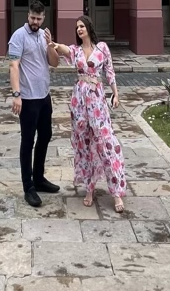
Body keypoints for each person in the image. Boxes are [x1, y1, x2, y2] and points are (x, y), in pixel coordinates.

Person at [50, 14, 126, 213]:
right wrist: (52, 44)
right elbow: (61, 48)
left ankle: (116, 192)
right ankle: (89, 189)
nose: (79, 30)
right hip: (79, 101)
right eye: (77, 27)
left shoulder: (102, 49)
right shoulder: (75, 51)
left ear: (89, 28)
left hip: (97, 101)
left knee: (105, 142)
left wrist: (116, 94)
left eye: (82, 26)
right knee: (84, 144)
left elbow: (110, 72)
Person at [8, 0, 61, 207]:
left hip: (44, 97)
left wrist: (50, 44)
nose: (35, 22)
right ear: (27, 15)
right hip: (28, 99)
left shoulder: (43, 35)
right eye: (32, 18)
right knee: (27, 141)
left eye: (39, 19)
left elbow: (54, 62)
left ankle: (39, 179)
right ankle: (28, 186)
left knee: (46, 135)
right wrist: (16, 94)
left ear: (43, 18)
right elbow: (13, 66)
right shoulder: (18, 36)